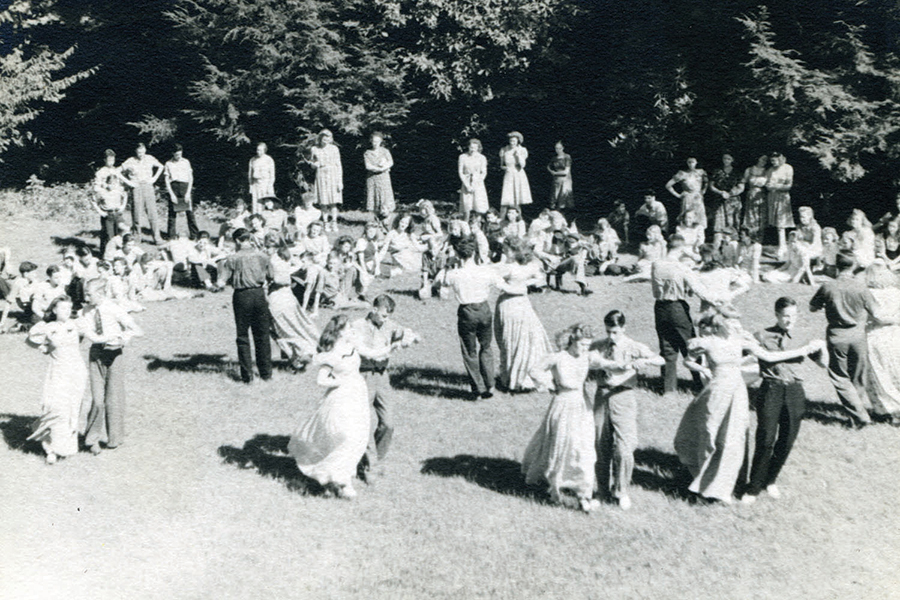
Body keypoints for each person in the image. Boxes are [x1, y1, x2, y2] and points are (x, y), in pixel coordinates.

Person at [674, 310, 819, 504]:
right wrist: (704, 370)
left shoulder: (742, 343)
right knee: (710, 434)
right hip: (716, 393)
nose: (737, 327)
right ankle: (704, 480)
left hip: (737, 393)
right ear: (721, 324)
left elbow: (770, 357)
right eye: (732, 324)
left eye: (738, 324)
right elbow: (688, 360)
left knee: (733, 438)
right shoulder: (706, 342)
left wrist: (803, 351)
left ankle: (724, 487)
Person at [287, 314, 394, 499]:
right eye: (348, 328)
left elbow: (372, 354)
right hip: (341, 398)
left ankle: (340, 478)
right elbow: (321, 380)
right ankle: (341, 481)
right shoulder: (332, 353)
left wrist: (393, 347)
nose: (352, 330)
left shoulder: (353, 344)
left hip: (358, 395)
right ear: (340, 331)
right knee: (345, 436)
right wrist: (342, 380)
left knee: (357, 437)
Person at [743, 297, 827, 503]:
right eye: (785, 316)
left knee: (787, 440)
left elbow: (824, 364)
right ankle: (753, 488)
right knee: (765, 439)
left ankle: (770, 480)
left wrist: (822, 347)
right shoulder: (762, 335)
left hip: (795, 391)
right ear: (776, 314)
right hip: (771, 389)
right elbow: (742, 358)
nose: (789, 320)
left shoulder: (804, 335)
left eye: (793, 316)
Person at [522, 323, 601, 512]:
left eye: (588, 345)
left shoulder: (588, 356)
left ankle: (584, 490)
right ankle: (556, 484)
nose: (585, 348)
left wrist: (626, 365)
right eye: (582, 344)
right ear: (573, 340)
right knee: (562, 442)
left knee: (584, 445)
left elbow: (605, 363)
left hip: (582, 405)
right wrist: (549, 384)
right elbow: (534, 370)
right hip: (563, 404)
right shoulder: (558, 357)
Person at [590, 310, 664, 510]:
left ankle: (621, 490)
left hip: (624, 397)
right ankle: (602, 491)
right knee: (600, 445)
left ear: (624, 328)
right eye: (608, 332)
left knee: (624, 448)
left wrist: (645, 361)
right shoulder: (599, 345)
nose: (611, 336)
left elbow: (661, 360)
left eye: (615, 332)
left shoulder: (633, 346)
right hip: (601, 396)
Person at [350, 295, 419, 474]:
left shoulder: (389, 325)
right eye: (383, 315)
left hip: (382, 377)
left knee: (388, 423)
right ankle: (369, 465)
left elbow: (406, 332)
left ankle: (373, 460)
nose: (385, 320)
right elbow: (367, 353)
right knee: (363, 422)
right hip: (362, 376)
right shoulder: (358, 326)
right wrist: (393, 347)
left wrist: (412, 337)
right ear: (374, 310)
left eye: (388, 316)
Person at [810, 250, 875, 427]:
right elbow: (875, 311)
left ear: (836, 265)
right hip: (858, 336)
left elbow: (812, 307)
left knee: (840, 377)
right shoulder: (861, 287)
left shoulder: (828, 286)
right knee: (858, 376)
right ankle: (857, 415)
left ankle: (859, 415)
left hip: (836, 336)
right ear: (854, 265)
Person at [78, 278, 143, 455]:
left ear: (100, 293)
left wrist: (123, 339)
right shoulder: (86, 310)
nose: (86, 296)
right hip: (96, 354)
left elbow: (136, 329)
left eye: (89, 294)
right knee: (98, 399)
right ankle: (91, 439)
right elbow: (81, 332)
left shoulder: (114, 308)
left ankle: (115, 438)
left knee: (113, 398)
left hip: (114, 355)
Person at [25, 296, 88, 464]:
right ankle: (50, 449)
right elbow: (30, 340)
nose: (66, 311)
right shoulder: (47, 327)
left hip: (77, 371)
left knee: (72, 409)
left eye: (69, 308)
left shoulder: (75, 325)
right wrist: (43, 347)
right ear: (54, 310)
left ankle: (66, 447)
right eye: (62, 308)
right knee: (55, 407)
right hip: (58, 371)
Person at [443, 237, 506, 399]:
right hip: (484, 309)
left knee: (469, 350)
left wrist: (446, 266)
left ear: (458, 254)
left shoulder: (454, 274)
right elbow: (501, 285)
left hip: (467, 311)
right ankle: (490, 385)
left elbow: (442, 290)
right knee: (486, 347)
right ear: (474, 253)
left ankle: (477, 387)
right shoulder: (486, 271)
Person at [651, 234, 713, 394]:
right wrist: (719, 300)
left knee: (667, 348)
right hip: (676, 307)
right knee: (690, 345)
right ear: (682, 248)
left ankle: (668, 389)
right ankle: (700, 385)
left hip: (659, 307)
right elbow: (700, 291)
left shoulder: (656, 264)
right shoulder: (681, 267)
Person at [216, 228, 274, 384]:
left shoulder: (232, 259)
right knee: (262, 335)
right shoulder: (263, 256)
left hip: (242, 296)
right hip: (259, 295)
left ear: (236, 241)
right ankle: (266, 374)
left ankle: (247, 377)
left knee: (243, 336)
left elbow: (221, 282)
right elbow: (272, 276)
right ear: (250, 239)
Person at [495, 239, 552, 392]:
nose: (504, 252)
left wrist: (510, 287)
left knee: (510, 338)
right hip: (522, 304)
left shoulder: (508, 268)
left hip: (510, 304)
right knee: (524, 338)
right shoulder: (529, 266)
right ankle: (522, 375)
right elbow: (539, 277)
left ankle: (511, 377)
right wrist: (525, 284)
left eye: (506, 249)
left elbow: (494, 279)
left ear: (513, 251)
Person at [267, 243, 319, 370]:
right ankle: (301, 353)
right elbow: (298, 264)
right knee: (296, 326)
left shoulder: (273, 261)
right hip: (288, 297)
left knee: (280, 329)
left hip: (277, 298)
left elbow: (275, 278)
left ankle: (295, 357)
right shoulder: (287, 263)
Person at [863, 262, 900, 425]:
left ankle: (883, 409)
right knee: (894, 370)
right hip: (894, 333)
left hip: (876, 334)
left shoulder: (869, 293)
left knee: (878, 372)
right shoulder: (896, 293)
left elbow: (871, 316)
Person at [121, 143, 164, 245]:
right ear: (136, 151)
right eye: (138, 152)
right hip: (136, 188)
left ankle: (157, 238)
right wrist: (129, 182)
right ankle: (137, 238)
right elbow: (117, 171)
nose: (140, 154)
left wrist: (154, 179)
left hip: (148, 187)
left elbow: (161, 166)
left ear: (145, 150)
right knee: (137, 214)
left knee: (152, 213)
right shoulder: (130, 160)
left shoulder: (150, 158)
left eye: (142, 151)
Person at [93, 149, 131, 255]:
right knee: (107, 233)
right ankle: (104, 253)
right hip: (106, 204)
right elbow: (96, 188)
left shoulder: (116, 171)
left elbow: (121, 187)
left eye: (113, 159)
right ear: (105, 160)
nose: (111, 161)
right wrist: (105, 187)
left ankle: (118, 253)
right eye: (109, 159)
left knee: (119, 231)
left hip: (116, 205)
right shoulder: (100, 172)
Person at [709, 153, 745, 251]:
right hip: (719, 200)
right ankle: (717, 246)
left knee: (732, 222)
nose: (726, 160)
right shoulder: (717, 171)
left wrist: (732, 193)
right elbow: (711, 186)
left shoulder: (737, 172)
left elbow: (741, 186)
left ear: (732, 160)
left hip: (733, 201)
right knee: (719, 223)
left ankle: (732, 247)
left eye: (729, 159)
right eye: (725, 158)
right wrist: (721, 192)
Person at [309, 129, 343, 232]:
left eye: (328, 137)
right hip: (321, 175)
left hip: (333, 175)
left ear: (330, 138)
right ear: (320, 137)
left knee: (333, 201)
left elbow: (338, 165)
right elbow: (312, 163)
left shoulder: (334, 149)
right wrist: (314, 165)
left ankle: (334, 222)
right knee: (323, 202)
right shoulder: (314, 149)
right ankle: (325, 223)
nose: (325, 139)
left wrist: (340, 181)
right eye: (324, 137)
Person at [164, 144, 199, 241]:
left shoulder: (186, 162)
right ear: (173, 154)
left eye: (180, 154)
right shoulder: (168, 163)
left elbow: (190, 178)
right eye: (177, 155)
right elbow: (167, 180)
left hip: (185, 187)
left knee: (190, 213)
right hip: (174, 187)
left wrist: (188, 193)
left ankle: (195, 235)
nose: (179, 156)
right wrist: (171, 194)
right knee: (172, 214)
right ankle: (171, 236)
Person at [364, 132, 395, 227]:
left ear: (381, 141)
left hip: (384, 177)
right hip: (372, 178)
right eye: (373, 141)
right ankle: (377, 220)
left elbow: (391, 162)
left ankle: (387, 219)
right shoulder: (367, 153)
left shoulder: (385, 151)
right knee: (374, 197)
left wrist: (384, 167)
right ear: (371, 141)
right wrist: (378, 169)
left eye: (377, 141)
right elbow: (368, 166)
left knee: (385, 197)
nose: (375, 143)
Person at [766, 152, 794, 256]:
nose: (773, 163)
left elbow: (789, 185)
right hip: (772, 197)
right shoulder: (770, 170)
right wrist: (769, 186)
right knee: (776, 223)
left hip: (782, 197)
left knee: (782, 222)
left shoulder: (788, 168)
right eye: (771, 161)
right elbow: (767, 184)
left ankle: (783, 246)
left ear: (780, 159)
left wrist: (776, 187)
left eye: (775, 160)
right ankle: (781, 244)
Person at [666, 157, 708, 227]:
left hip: (698, 198)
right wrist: (678, 195)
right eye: (689, 162)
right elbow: (668, 185)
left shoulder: (701, 172)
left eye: (693, 162)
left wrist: (703, 190)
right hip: (688, 198)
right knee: (687, 218)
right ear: (687, 163)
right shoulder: (682, 174)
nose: (691, 164)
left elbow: (706, 182)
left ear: (696, 162)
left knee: (699, 218)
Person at [499, 132, 532, 218]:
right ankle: (503, 218)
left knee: (517, 198)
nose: (512, 143)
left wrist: (518, 155)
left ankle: (518, 218)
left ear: (518, 141)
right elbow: (502, 165)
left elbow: (523, 165)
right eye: (510, 141)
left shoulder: (522, 150)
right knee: (507, 198)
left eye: (514, 141)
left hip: (518, 174)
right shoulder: (504, 150)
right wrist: (505, 168)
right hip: (509, 174)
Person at [458, 138, 489, 221]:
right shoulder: (462, 157)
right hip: (466, 182)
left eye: (475, 148)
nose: (473, 149)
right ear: (468, 147)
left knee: (478, 204)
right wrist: (467, 185)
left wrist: (476, 183)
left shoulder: (482, 158)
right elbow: (460, 172)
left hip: (478, 182)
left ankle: (477, 224)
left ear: (478, 148)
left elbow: (483, 172)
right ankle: (466, 223)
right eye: (471, 147)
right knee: (467, 205)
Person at [742, 154, 769, 236]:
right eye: (762, 159)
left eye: (765, 160)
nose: (764, 162)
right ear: (757, 159)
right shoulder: (749, 170)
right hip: (751, 193)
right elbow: (743, 182)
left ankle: (760, 236)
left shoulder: (767, 171)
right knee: (751, 214)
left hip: (762, 194)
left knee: (761, 215)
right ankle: (750, 234)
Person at [248, 142, 276, 214]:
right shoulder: (253, 160)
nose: (258, 152)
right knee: (255, 202)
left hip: (265, 183)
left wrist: (269, 186)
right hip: (255, 184)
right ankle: (255, 219)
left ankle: (265, 220)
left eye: (260, 150)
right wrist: (251, 185)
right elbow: (250, 174)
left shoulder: (269, 160)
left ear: (264, 150)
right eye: (257, 150)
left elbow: (272, 175)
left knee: (266, 202)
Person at [547, 141, 573, 212]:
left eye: (559, 148)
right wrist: (551, 171)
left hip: (565, 180)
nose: (557, 150)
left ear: (563, 148)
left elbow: (566, 171)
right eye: (556, 148)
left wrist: (555, 173)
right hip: (556, 180)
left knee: (563, 197)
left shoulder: (567, 157)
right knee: (555, 196)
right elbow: (548, 166)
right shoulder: (554, 158)